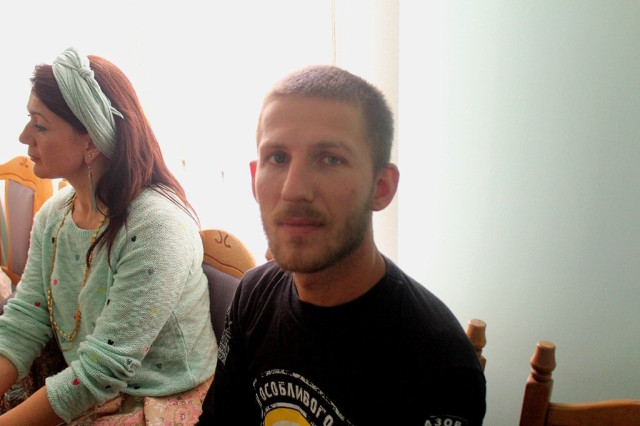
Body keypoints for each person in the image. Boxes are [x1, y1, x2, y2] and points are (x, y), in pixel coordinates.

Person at [198, 65, 486, 425]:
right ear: (255, 178)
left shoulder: (440, 366)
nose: (293, 189)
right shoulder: (252, 295)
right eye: (278, 158)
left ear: (381, 187)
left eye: (330, 159)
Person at [0, 47, 217, 425]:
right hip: (95, 383)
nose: (24, 137)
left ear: (90, 142)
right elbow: (25, 320)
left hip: (157, 397)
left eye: (40, 125)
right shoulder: (55, 215)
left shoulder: (155, 226)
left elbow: (103, 368)